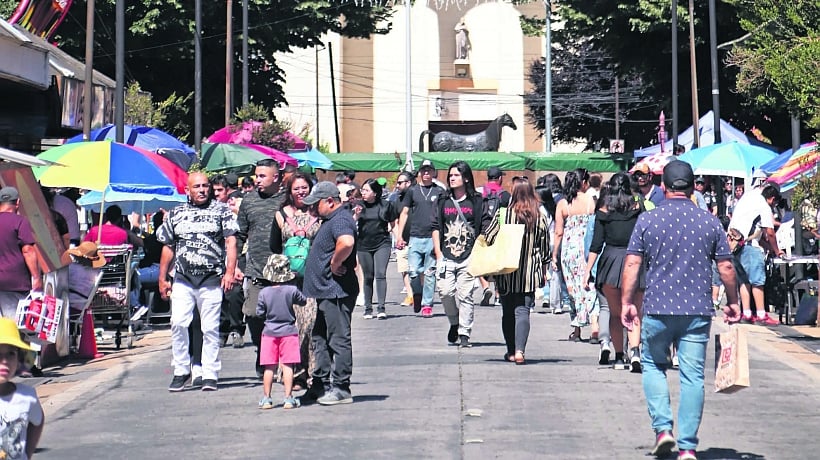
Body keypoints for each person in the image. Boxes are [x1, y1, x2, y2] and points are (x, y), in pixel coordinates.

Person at [621, 160, 741, 460]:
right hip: (697, 311)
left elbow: (633, 262)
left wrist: (626, 302)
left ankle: (663, 430)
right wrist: (733, 301)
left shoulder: (648, 220)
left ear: (663, 186)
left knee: (652, 364)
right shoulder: (709, 221)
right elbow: (726, 266)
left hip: (657, 307)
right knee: (692, 377)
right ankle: (687, 447)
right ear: (691, 188)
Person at [158, 172, 239, 392]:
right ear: (188, 190)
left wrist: (230, 271)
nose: (202, 190)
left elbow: (231, 241)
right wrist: (162, 277)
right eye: (197, 186)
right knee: (178, 323)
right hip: (183, 278)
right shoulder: (176, 214)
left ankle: (209, 372)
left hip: (211, 278)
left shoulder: (221, 211)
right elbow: (168, 246)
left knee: (210, 328)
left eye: (205, 186)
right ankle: (182, 369)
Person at [300, 182, 358, 405]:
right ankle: (320, 383)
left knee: (338, 338)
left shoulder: (341, 219)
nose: (312, 210)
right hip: (325, 292)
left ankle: (342, 387)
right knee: (320, 338)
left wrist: (335, 263)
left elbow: (347, 242)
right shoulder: (331, 220)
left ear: (330, 201)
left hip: (336, 291)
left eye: (316, 205)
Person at [584, 172, 646, 370]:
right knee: (634, 311)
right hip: (635, 261)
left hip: (610, 261)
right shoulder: (639, 207)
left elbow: (596, 244)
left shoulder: (604, 210)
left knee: (615, 313)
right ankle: (635, 352)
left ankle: (619, 356)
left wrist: (587, 272)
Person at [483, 177, 548, 364]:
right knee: (523, 311)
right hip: (528, 272)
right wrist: (544, 268)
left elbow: (489, 236)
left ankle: (511, 351)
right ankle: (521, 351)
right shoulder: (539, 217)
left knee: (508, 312)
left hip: (506, 270)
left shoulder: (503, 215)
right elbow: (544, 247)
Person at [268, 172, 321, 391]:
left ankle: (311, 371)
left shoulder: (318, 212)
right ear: (289, 192)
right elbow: (274, 245)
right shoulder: (281, 214)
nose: (301, 192)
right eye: (296, 189)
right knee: (293, 327)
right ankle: (295, 373)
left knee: (309, 324)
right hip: (288, 279)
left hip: (312, 277)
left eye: (304, 188)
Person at [235, 158, 286, 378]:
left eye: (262, 176)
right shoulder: (249, 201)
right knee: (254, 314)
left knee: (284, 317)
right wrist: (236, 263)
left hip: (284, 269)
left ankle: (281, 360)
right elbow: (239, 234)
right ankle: (262, 351)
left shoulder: (287, 199)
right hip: (255, 268)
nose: (257, 180)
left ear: (276, 177)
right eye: (256, 175)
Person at [432, 161, 490, 348]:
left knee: (466, 295)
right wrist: (439, 254)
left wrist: (480, 252)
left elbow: (484, 227)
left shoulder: (477, 201)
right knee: (445, 292)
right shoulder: (443, 200)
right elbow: (435, 227)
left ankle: (464, 333)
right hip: (446, 256)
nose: (452, 178)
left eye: (456, 175)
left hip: (469, 256)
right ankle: (454, 321)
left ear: (466, 178)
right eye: (450, 176)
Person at [256, 254, 307, 410]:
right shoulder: (291, 290)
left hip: (269, 333)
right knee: (287, 366)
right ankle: (288, 398)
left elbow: (259, 312)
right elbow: (303, 301)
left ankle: (266, 398)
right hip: (289, 332)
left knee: (269, 367)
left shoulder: (264, 293)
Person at [395, 160, 446, 317]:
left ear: (433, 173)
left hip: (433, 236)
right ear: (419, 173)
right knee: (413, 272)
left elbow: (445, 213)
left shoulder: (439, 191)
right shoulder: (412, 191)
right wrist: (399, 236)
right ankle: (417, 293)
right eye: (423, 170)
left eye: (429, 170)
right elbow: (404, 213)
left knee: (430, 273)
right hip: (415, 236)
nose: (426, 173)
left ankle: (427, 304)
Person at [553, 170, 598, 342]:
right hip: (586, 248)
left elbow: (558, 232)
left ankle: (577, 329)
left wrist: (554, 254)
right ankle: (595, 327)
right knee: (589, 285)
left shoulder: (563, 203)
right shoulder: (591, 201)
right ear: (584, 182)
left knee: (573, 288)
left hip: (569, 249)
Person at [729, 182, 783, 325]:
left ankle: (746, 313)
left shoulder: (748, 196)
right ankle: (761, 314)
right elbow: (770, 233)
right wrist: (777, 251)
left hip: (735, 244)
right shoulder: (764, 206)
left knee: (744, 280)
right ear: (772, 198)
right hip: (749, 247)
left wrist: (769, 247)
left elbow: (755, 232)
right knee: (758, 281)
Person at [0, 317, 45, 459]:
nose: (5, 361)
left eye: (11, 354)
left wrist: (28, 453)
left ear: (19, 359)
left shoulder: (27, 396)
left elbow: (38, 421)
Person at [356, 179, 399, 319]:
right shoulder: (358, 206)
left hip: (382, 243)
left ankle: (381, 307)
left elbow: (393, 223)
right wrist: (355, 215)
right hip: (363, 244)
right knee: (368, 276)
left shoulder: (386, 205)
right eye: (362, 190)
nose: (363, 193)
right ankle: (368, 308)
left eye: (367, 190)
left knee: (380, 273)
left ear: (375, 193)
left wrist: (398, 238)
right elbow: (350, 223)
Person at [0, 187, 41, 317]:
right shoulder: (19, 221)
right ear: (17, 202)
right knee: (14, 326)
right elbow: (28, 250)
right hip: (15, 282)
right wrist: (36, 277)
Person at [391, 171, 415, 307]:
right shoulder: (397, 199)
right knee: (404, 269)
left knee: (419, 269)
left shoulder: (417, 197)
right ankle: (410, 295)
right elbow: (394, 220)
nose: (397, 185)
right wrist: (397, 236)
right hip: (403, 240)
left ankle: (420, 294)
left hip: (418, 238)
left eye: (400, 183)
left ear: (408, 183)